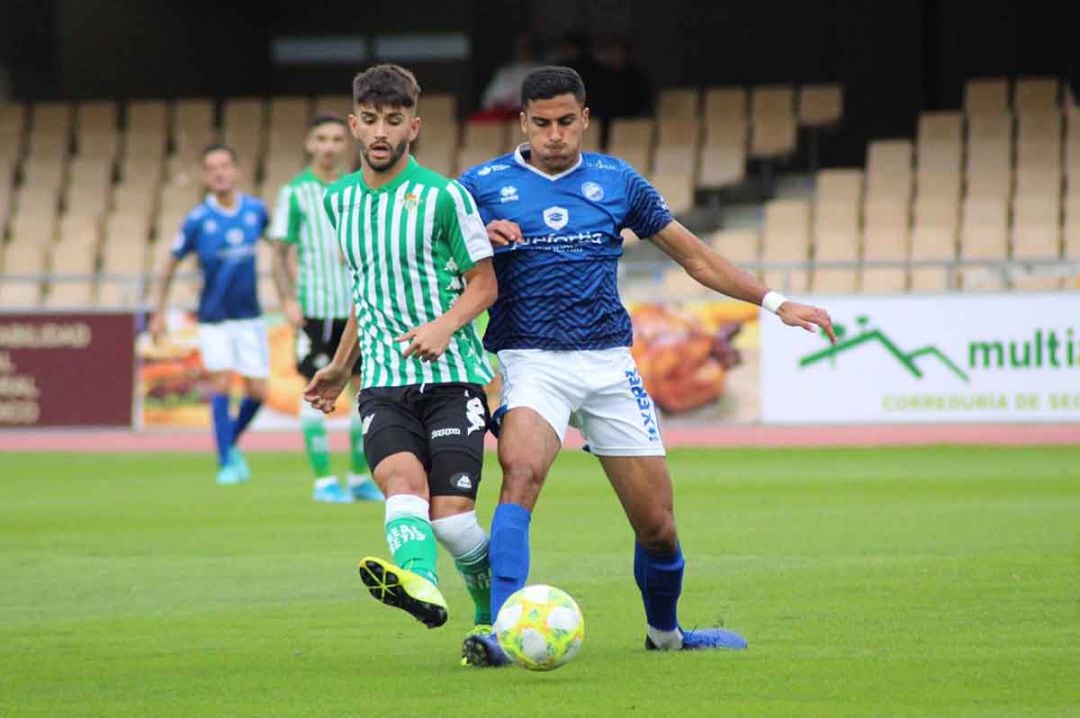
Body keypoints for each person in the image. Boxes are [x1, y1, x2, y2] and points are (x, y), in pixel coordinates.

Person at [457, 66, 837, 666]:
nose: (554, 134)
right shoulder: (478, 187)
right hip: (531, 359)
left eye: (565, 122)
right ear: (522, 121)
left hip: (609, 364)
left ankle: (666, 635)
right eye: (541, 123)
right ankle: (505, 635)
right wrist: (475, 242)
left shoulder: (617, 181)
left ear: (584, 118)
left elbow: (695, 257)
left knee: (657, 526)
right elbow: (438, 267)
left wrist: (775, 302)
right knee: (521, 472)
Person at [302, 65, 499, 640]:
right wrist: (341, 367)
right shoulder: (338, 201)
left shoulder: (443, 196)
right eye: (369, 120)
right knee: (400, 483)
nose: (380, 131)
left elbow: (484, 284)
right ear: (354, 126)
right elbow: (369, 292)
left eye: (393, 120)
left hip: (455, 377)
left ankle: (490, 620)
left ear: (413, 125)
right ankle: (421, 585)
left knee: (453, 522)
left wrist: (442, 326)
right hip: (383, 383)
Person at [270, 113, 384, 504]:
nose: (330, 146)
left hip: (359, 309)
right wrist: (287, 297)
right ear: (309, 144)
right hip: (316, 309)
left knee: (364, 392)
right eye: (322, 138)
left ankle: (356, 477)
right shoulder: (296, 192)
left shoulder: (361, 189)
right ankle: (323, 481)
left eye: (337, 138)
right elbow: (278, 252)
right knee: (314, 391)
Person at [149, 144, 278, 486]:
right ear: (206, 177)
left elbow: (280, 249)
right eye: (212, 168)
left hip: (249, 316)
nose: (219, 173)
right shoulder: (197, 220)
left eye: (225, 166)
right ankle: (225, 463)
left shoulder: (255, 211)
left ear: (236, 171)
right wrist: (158, 311)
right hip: (214, 317)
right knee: (221, 383)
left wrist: (291, 287)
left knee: (258, 392)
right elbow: (169, 264)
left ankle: (230, 442)